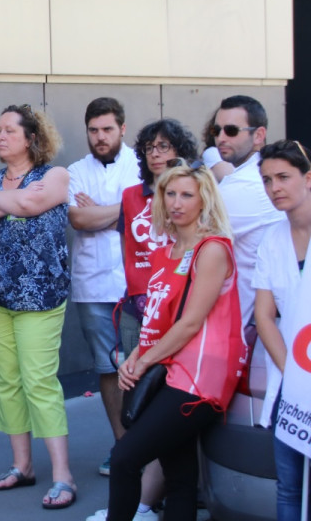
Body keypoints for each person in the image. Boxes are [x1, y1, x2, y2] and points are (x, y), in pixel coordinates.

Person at [87, 161, 247, 521]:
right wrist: (135, 356)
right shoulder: (167, 251)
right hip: (168, 369)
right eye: (170, 193)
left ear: (204, 200)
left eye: (187, 195)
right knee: (179, 475)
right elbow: (158, 321)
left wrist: (143, 361)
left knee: (126, 457)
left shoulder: (213, 249)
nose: (176, 202)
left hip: (199, 377)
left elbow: (190, 323)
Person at [0, 104, 77, 510]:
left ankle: (63, 476)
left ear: (32, 138)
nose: (1, 136)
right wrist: (9, 196)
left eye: (10, 130)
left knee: (39, 381)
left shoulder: (55, 176)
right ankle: (22, 466)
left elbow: (30, 207)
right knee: (6, 381)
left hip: (39, 296)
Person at [116, 118, 198, 521]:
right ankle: (149, 499)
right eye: (149, 147)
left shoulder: (201, 221)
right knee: (142, 401)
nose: (155, 154)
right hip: (140, 307)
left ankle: (147, 500)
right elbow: (129, 248)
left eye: (164, 146)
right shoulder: (133, 196)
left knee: (166, 416)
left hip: (178, 317)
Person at [67, 97, 140, 473]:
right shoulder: (76, 171)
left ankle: (150, 446)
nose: (100, 136)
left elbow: (152, 210)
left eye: (107, 129)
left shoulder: (141, 165)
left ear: (122, 129)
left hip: (139, 283)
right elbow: (78, 219)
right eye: (93, 130)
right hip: (93, 286)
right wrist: (128, 211)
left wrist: (105, 212)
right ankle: (122, 446)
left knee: (145, 364)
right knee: (108, 368)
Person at [254, 140, 311, 521]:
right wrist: (295, 375)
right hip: (291, 385)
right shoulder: (272, 238)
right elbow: (263, 315)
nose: (275, 187)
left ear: (308, 179)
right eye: (267, 180)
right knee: (289, 487)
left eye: (284, 177)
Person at [211, 95, 285, 323]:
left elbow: (188, 236)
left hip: (250, 325)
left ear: (259, 135)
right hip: (257, 320)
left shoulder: (247, 184)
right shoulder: (246, 178)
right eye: (217, 130)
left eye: (231, 130)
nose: (221, 138)